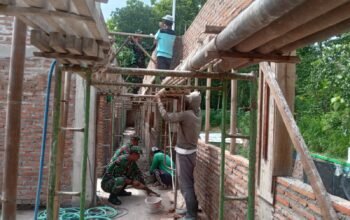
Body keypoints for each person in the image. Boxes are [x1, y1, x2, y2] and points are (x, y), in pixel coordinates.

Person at [155, 91, 202, 220]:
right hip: (192, 153)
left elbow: (167, 117)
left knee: (186, 185)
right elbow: (189, 101)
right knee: (189, 184)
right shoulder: (198, 113)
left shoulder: (187, 115)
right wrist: (176, 95)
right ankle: (189, 209)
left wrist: (159, 100)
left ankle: (191, 215)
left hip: (184, 154)